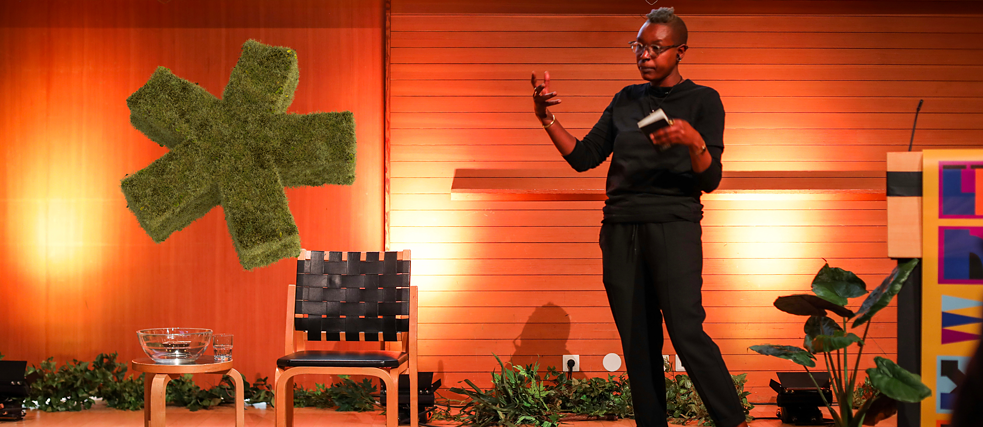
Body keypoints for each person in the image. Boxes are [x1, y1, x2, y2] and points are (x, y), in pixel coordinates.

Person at [530, 7, 747, 427]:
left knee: (687, 333)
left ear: (681, 51)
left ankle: (733, 422)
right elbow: (584, 157)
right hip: (620, 228)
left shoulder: (704, 100)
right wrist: (545, 118)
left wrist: (694, 139)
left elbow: (711, 179)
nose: (644, 55)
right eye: (639, 46)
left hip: (673, 225)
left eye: (655, 47)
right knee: (638, 341)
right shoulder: (625, 100)